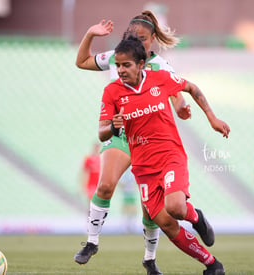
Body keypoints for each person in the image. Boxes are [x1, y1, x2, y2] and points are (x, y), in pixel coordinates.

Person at [74, 10, 196, 275]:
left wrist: (181, 106)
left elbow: (176, 92)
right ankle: (91, 242)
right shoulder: (117, 57)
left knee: (150, 209)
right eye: (133, 37)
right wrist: (90, 34)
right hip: (121, 135)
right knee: (105, 185)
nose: (138, 42)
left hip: (149, 141)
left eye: (142, 38)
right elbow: (81, 61)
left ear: (153, 39)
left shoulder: (161, 66)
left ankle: (149, 260)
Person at [99, 35, 230, 275]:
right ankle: (212, 264)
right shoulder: (112, 92)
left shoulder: (160, 78)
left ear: (140, 64)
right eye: (117, 65)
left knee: (176, 208)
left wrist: (212, 118)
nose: (120, 70)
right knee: (168, 225)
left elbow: (191, 87)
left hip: (170, 156)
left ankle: (195, 217)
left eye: (126, 65)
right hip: (143, 169)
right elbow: (102, 132)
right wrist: (114, 127)